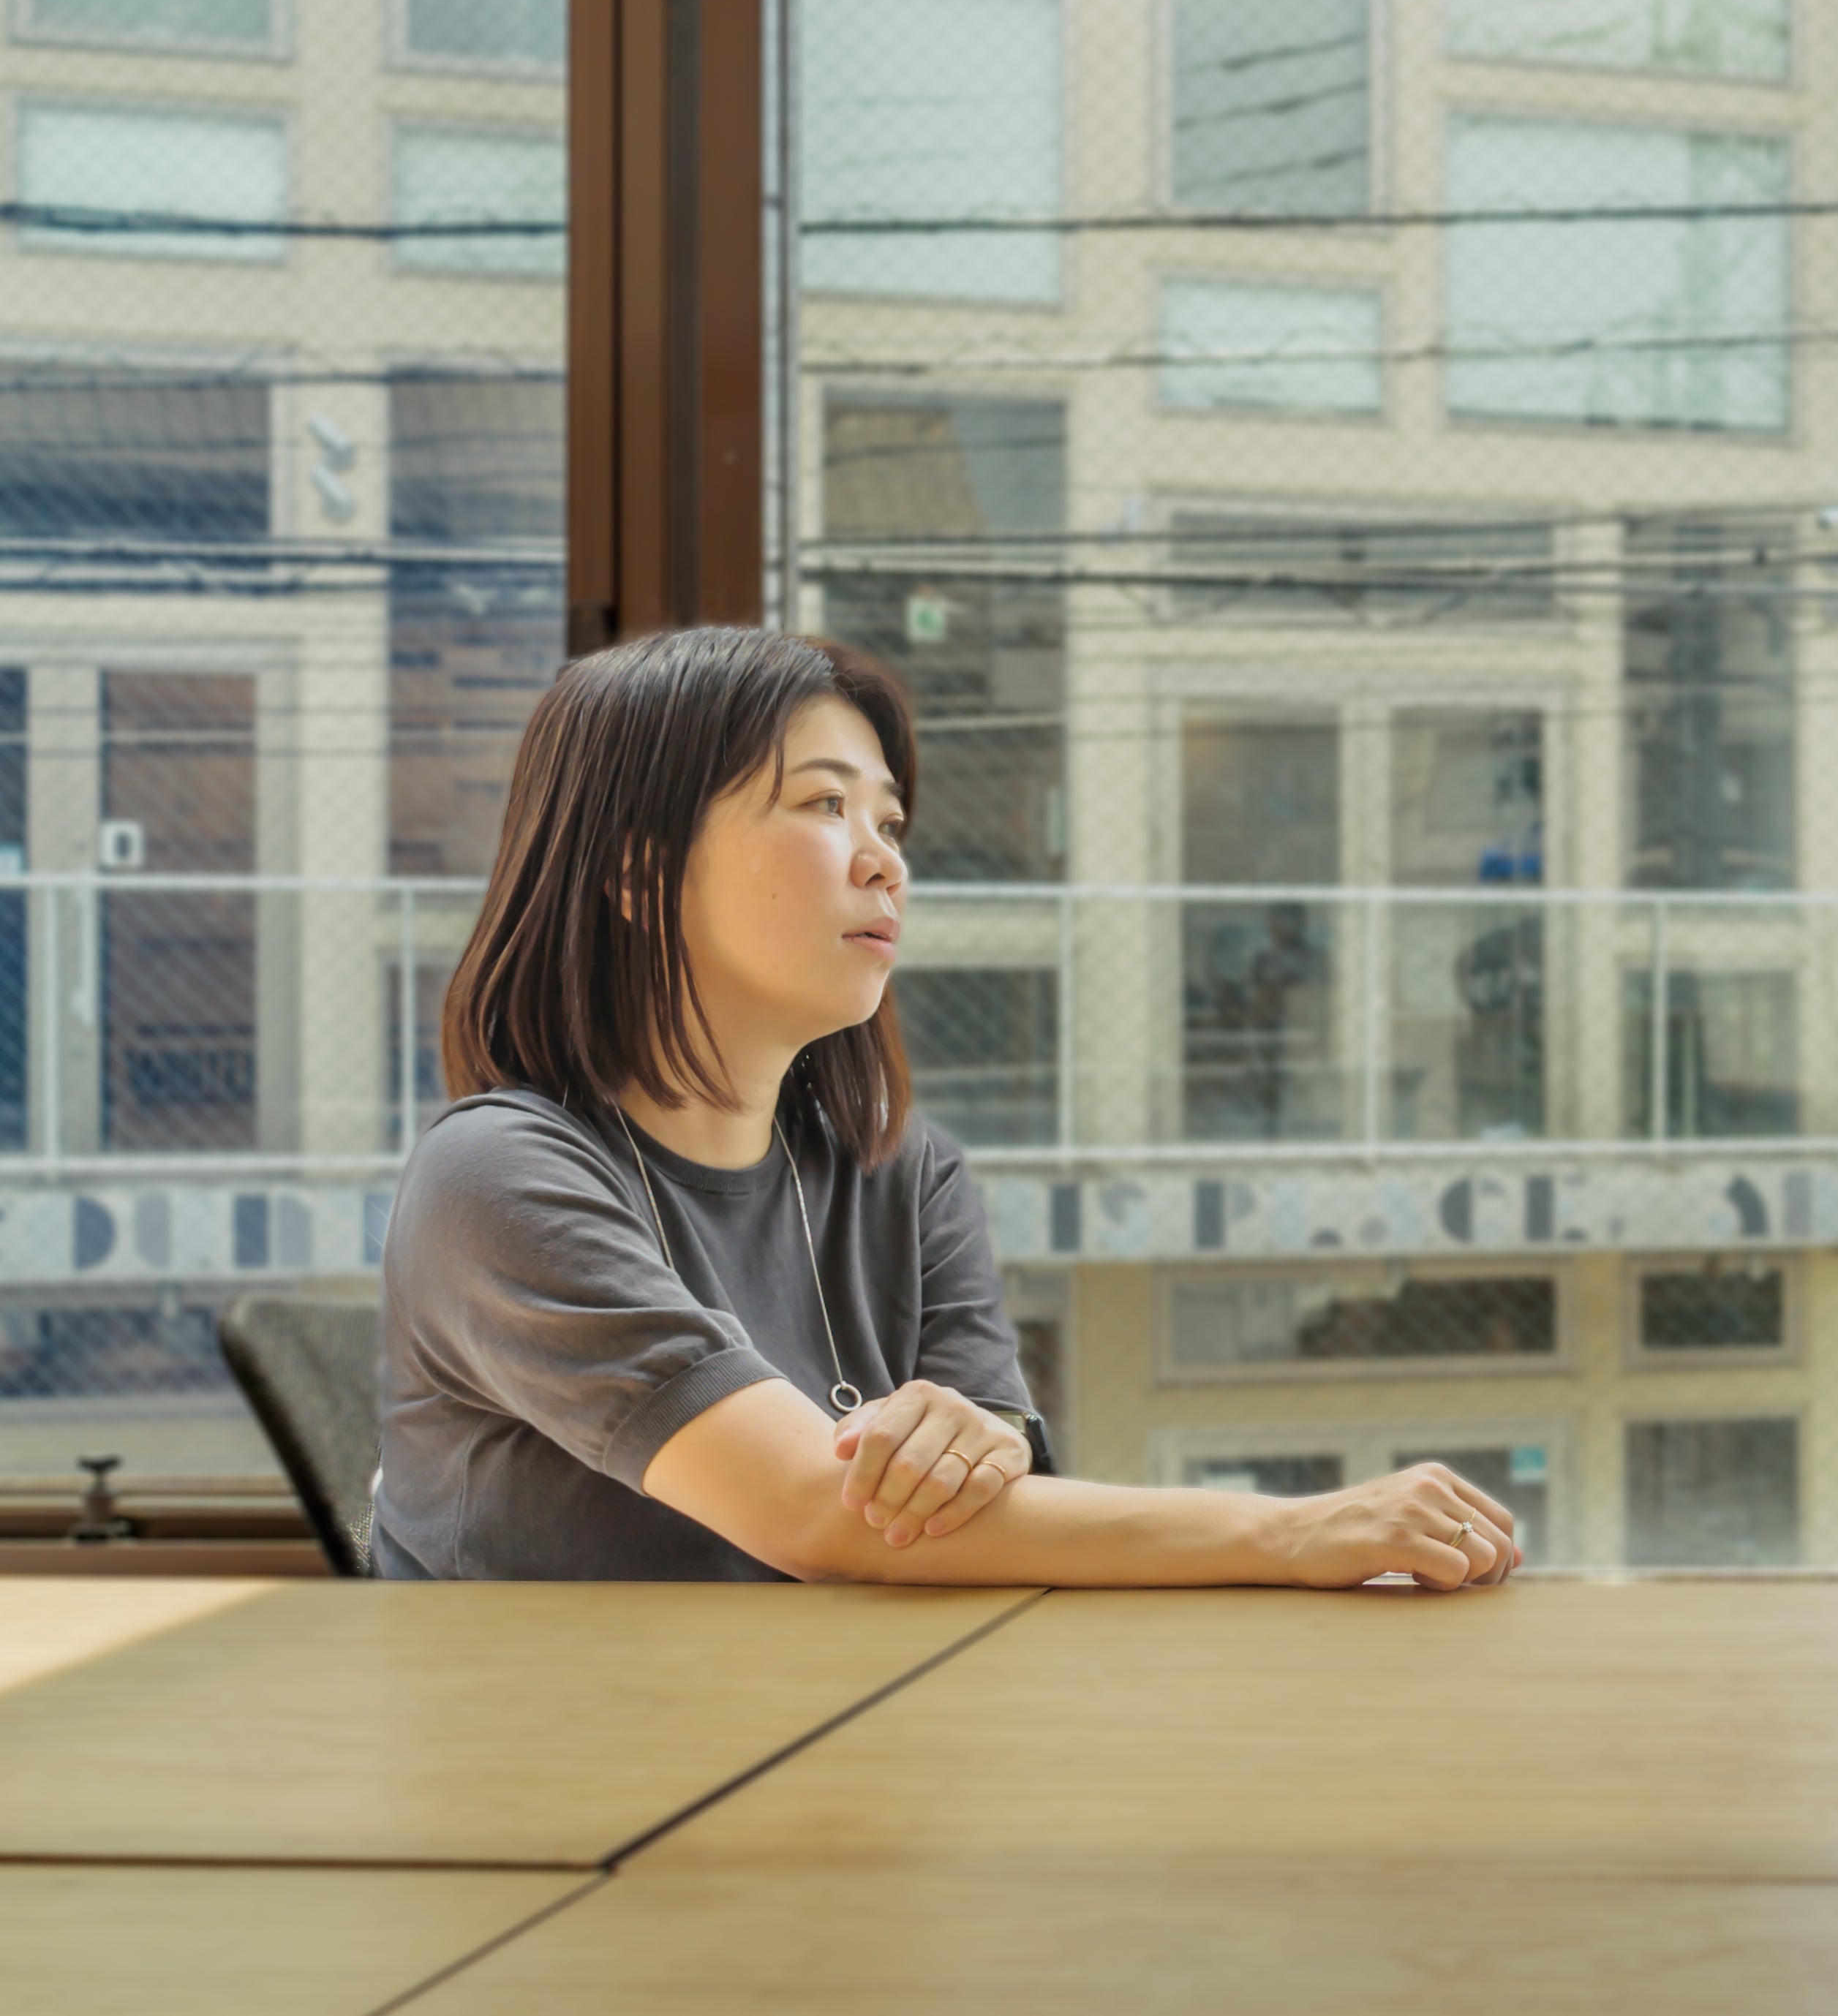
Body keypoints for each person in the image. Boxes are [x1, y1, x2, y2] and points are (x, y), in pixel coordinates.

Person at [375, 626, 1520, 1588]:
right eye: (827, 804)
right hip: (551, 1804)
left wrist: (990, 1446)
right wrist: (1294, 1528)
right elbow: (814, 1511)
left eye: (892, 824)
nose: (886, 863)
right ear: (636, 872)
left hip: (826, 1754)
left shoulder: (905, 1175)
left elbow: (999, 1504)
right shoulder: (497, 1178)